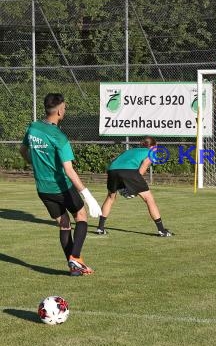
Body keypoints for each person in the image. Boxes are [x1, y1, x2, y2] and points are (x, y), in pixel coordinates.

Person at [20, 93, 102, 276]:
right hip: (61, 187)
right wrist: (88, 196)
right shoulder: (59, 137)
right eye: (64, 108)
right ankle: (76, 258)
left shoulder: (33, 128)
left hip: (42, 189)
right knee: (81, 217)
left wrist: (36, 164)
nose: (64, 111)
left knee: (64, 224)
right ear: (58, 110)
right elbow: (69, 171)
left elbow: (23, 150)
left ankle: (74, 267)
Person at [96, 136, 173, 237]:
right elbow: (141, 171)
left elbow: (117, 163)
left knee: (110, 197)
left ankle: (100, 228)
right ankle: (161, 230)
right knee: (149, 199)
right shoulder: (151, 153)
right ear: (153, 146)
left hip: (112, 170)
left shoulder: (131, 150)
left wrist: (125, 185)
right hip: (128, 171)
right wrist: (133, 188)